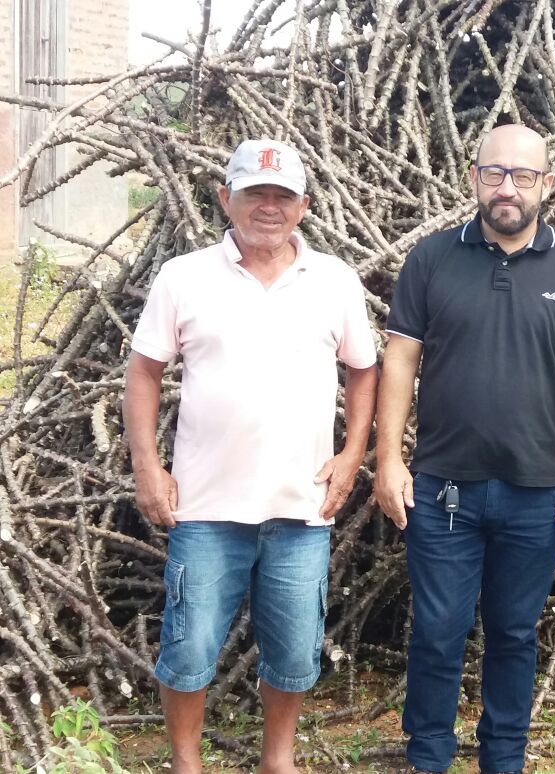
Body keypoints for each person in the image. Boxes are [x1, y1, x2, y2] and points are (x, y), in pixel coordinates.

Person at [123, 138, 378, 774]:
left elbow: (365, 371)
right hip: (205, 508)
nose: (268, 206)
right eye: (254, 193)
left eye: (282, 196)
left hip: (302, 508)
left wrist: (352, 455)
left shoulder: (335, 281)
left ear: (304, 206)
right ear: (224, 199)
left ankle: (277, 761)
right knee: (188, 648)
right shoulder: (184, 276)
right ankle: (186, 764)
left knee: (294, 653)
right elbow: (144, 373)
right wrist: (148, 468)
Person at [374, 123, 555, 774]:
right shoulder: (430, 259)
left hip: (538, 492)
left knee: (512, 634)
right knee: (438, 632)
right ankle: (428, 757)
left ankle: (503, 757)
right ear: (473, 177)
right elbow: (400, 360)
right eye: (494, 173)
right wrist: (389, 459)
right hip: (443, 490)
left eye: (523, 175)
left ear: (548, 186)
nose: (507, 188)